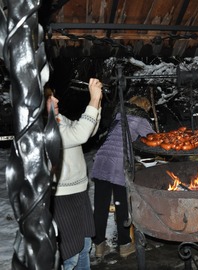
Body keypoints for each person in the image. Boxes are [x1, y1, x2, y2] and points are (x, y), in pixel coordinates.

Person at [45, 78, 103, 269]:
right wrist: (92, 101)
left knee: (85, 246)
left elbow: (88, 130)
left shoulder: (60, 119)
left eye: (55, 97)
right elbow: (80, 135)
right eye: (50, 99)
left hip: (78, 193)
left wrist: (98, 102)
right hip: (61, 197)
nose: (57, 101)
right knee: (70, 254)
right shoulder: (44, 130)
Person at [90, 96, 155, 259]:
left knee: (100, 206)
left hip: (101, 158)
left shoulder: (119, 116)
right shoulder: (140, 119)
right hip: (118, 163)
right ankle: (125, 245)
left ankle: (99, 246)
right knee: (122, 204)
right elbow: (154, 139)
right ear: (144, 107)